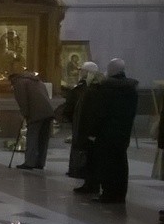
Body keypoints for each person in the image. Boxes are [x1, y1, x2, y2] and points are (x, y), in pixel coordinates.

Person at [82, 59, 139, 203]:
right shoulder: (131, 88)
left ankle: (108, 193)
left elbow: (100, 112)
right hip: (123, 131)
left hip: (106, 133)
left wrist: (92, 131)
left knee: (107, 163)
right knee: (121, 162)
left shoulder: (107, 88)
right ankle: (120, 194)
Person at [58, 61, 99, 179]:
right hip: (90, 124)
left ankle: (77, 169)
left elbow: (70, 106)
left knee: (79, 147)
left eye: (82, 71)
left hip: (81, 123)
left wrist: (71, 119)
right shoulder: (99, 88)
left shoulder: (80, 89)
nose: (80, 73)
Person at [9, 71, 54, 170]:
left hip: (36, 113)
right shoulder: (37, 81)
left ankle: (29, 162)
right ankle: (40, 162)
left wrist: (25, 114)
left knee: (32, 137)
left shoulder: (19, 83)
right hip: (48, 111)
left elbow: (23, 100)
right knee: (43, 138)